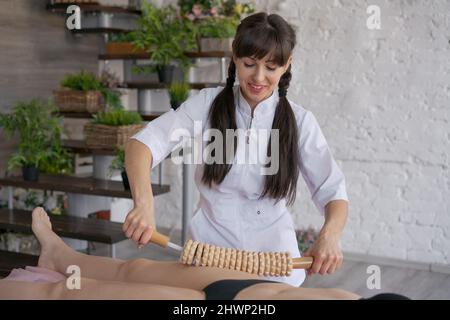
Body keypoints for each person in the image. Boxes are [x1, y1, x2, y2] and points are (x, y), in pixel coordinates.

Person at [124, 12, 349, 287]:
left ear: (287, 65)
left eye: (271, 67)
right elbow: (143, 144)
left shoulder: (301, 122)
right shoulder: (207, 104)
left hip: (275, 262)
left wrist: (330, 235)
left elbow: (332, 191)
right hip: (207, 258)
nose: (258, 77)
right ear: (235, 57)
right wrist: (144, 205)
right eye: (249, 64)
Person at [1, 207, 408, 300]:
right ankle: (55, 252)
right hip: (247, 288)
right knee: (133, 267)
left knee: (72, 295)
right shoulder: (354, 298)